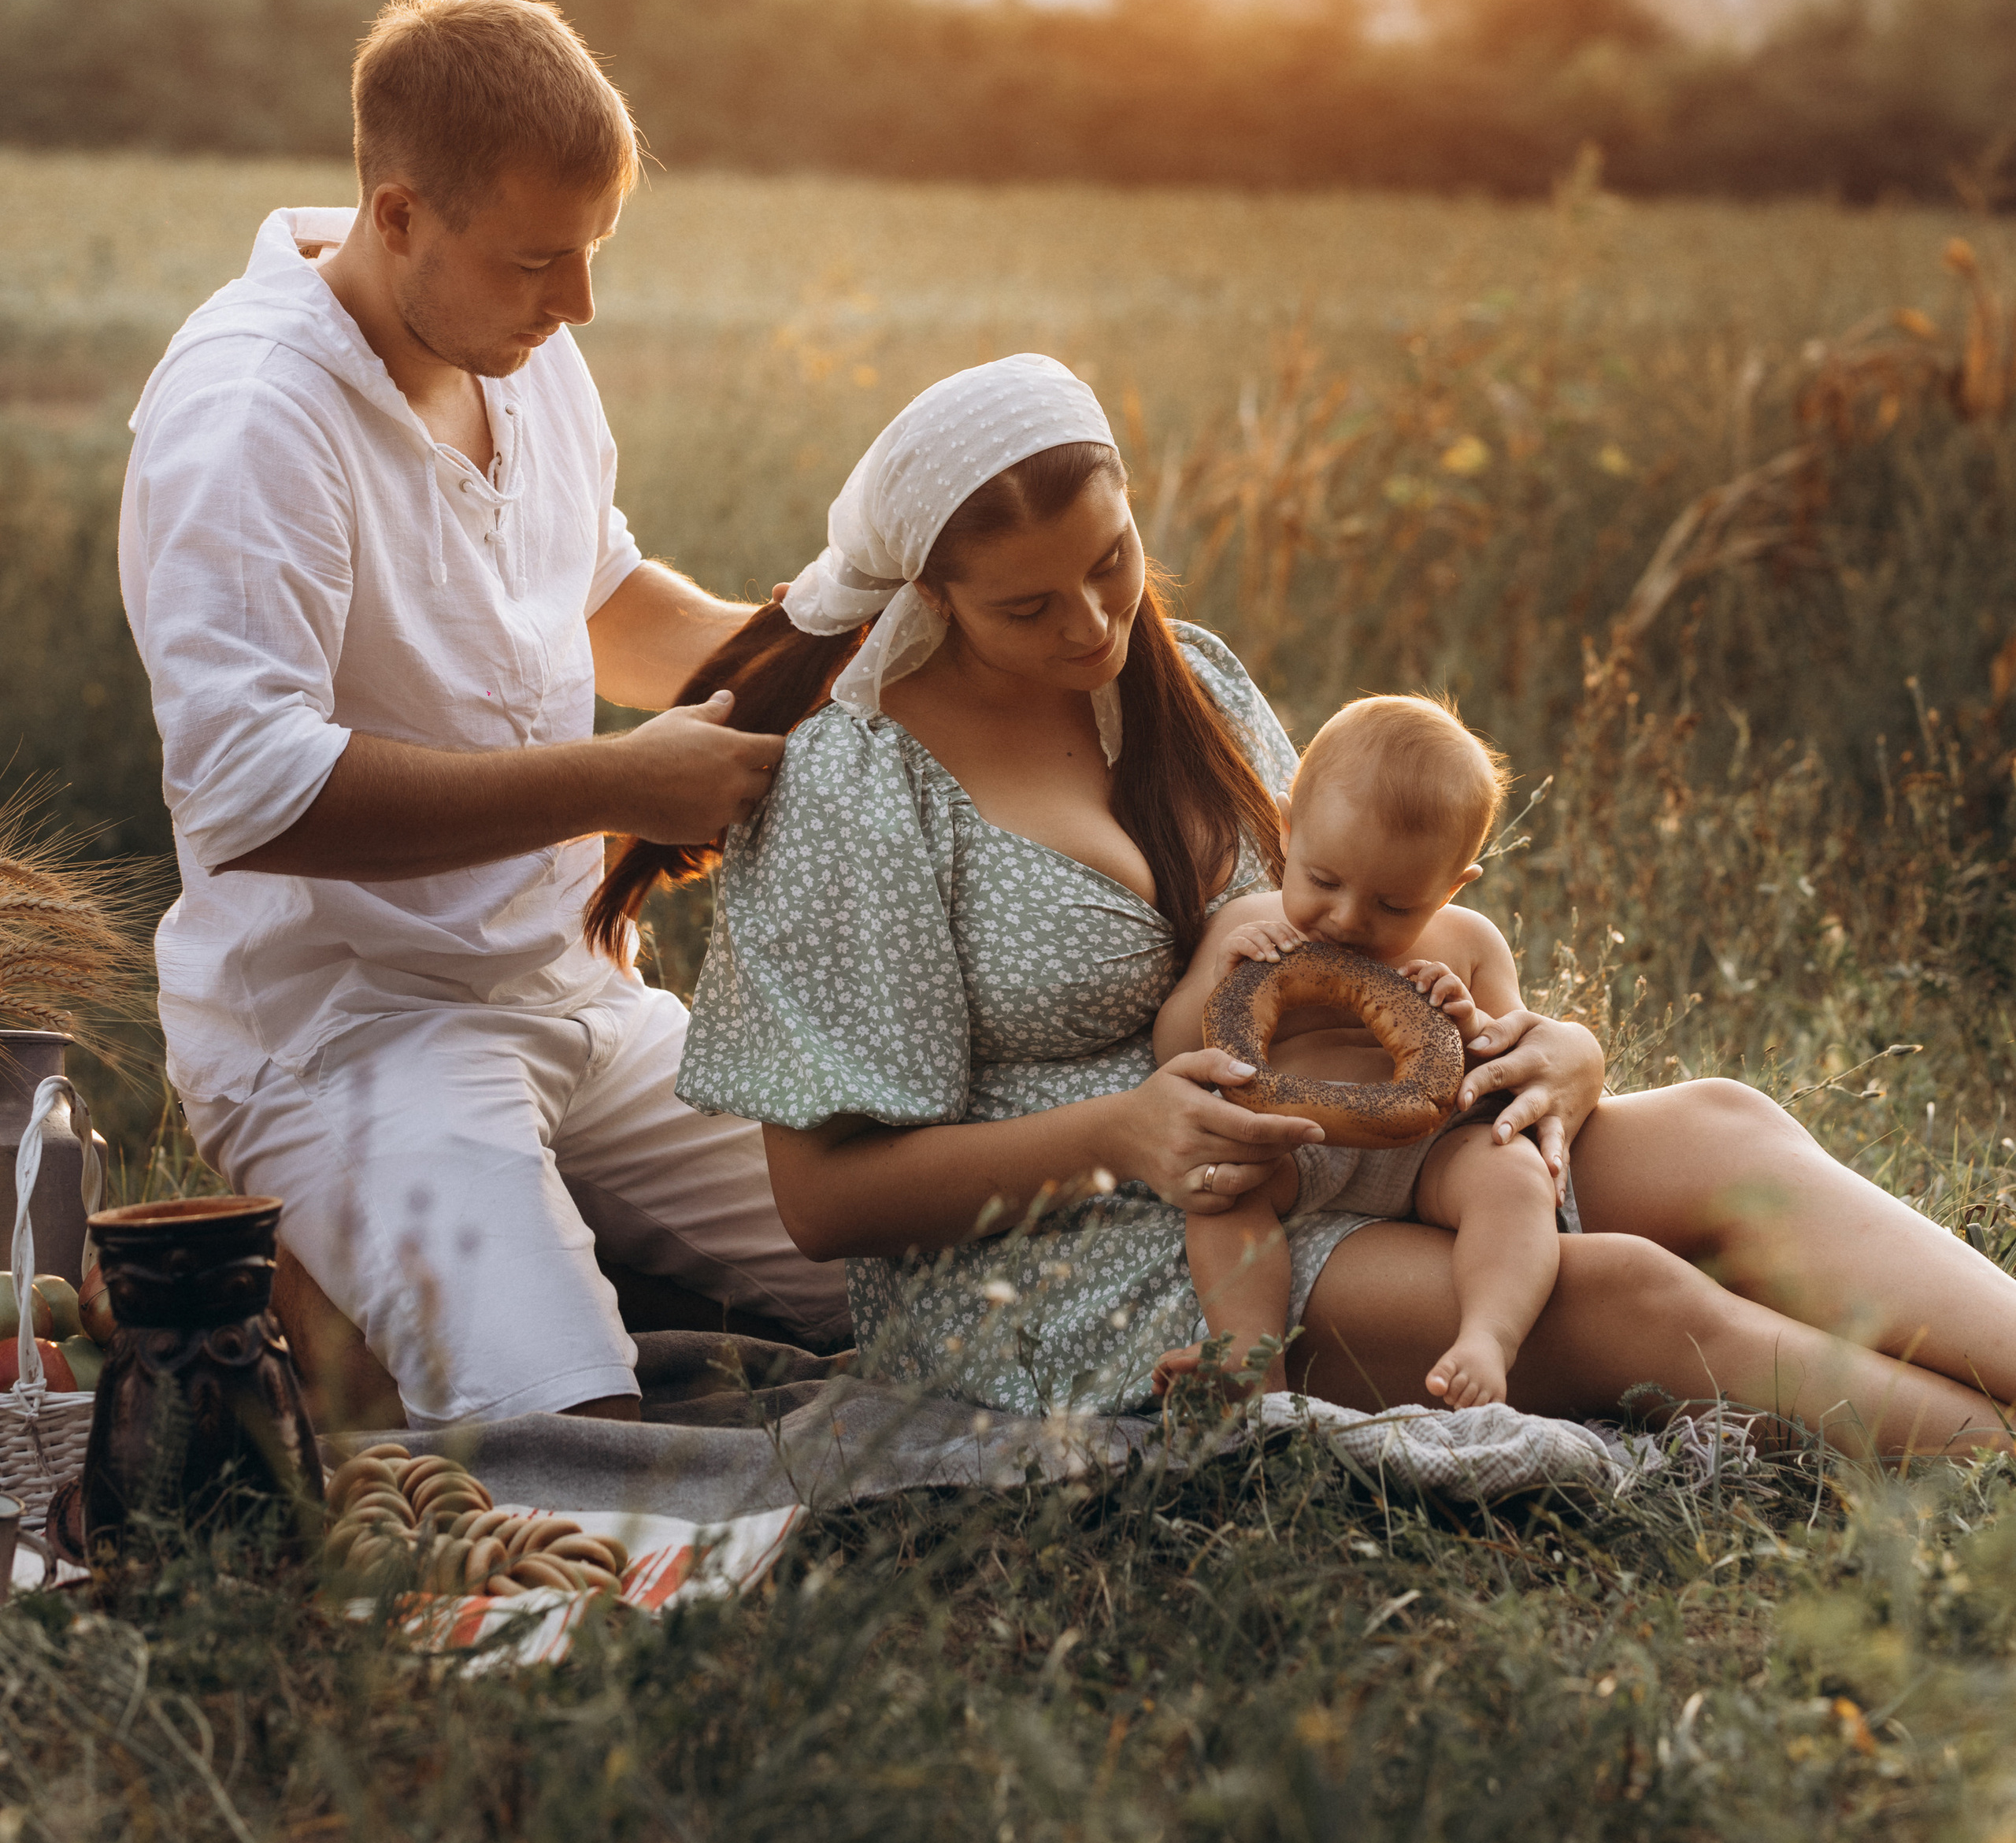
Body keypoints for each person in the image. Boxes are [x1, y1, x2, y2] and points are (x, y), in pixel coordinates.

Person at [650, 354, 2016, 1456]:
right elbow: (822, 1205)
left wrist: (1550, 1052)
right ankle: (1988, 1473)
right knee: (1627, 1297)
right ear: (929, 594)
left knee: (1729, 1131)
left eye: (1112, 560)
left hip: (1351, 1143)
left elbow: (1364, 930)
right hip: (1072, 1267)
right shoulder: (858, 784)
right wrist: (1124, 1134)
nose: (1091, 626)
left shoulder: (1194, 689)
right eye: (1027, 607)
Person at [119, 0, 847, 1436]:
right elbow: (255, 792)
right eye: (539, 262)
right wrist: (621, 785)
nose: (578, 303)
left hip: (584, 993)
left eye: (587, 255)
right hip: (353, 1034)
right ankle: (363, 1308)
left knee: (931, 1279)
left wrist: (825, 655)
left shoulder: (516, 343)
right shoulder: (252, 414)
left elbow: (611, 598)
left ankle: (522, 1287)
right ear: (397, 217)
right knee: (561, 1425)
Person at [1151, 694, 1562, 1409]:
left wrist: (1465, 1020)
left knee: (1515, 1181)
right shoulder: (1246, 929)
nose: (1347, 919)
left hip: (1428, 1154)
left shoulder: (1468, 944)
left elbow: (1504, 1066)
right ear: (1287, 830)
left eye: (1395, 906)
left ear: (1451, 885)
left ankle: (1489, 1338)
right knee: (1220, 1190)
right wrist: (1222, 979)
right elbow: (1173, 1051)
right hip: (1291, 1147)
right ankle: (1249, 1354)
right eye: (1324, 881)